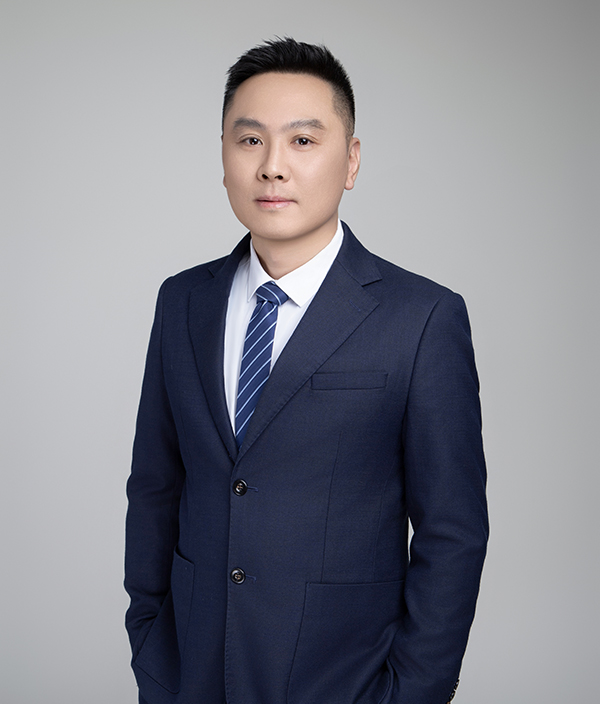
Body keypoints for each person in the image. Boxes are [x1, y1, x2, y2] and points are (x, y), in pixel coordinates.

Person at [124, 37, 488, 704]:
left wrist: (413, 692)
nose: (272, 167)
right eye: (250, 140)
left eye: (302, 141)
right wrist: (150, 642)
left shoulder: (422, 317)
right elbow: (155, 485)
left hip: (344, 680)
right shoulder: (182, 301)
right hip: (191, 675)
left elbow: (452, 531)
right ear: (224, 158)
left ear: (350, 161)